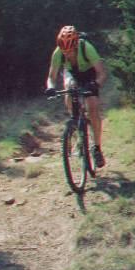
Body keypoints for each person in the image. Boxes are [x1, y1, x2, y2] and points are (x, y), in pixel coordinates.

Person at [45, 25, 107, 168]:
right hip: (72, 74)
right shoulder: (58, 53)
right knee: (69, 89)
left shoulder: (87, 48)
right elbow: (51, 76)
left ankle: (97, 148)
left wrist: (95, 85)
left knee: (93, 108)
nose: (67, 54)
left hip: (89, 74)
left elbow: (102, 73)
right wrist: (50, 87)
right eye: (64, 52)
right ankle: (77, 123)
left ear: (76, 45)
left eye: (70, 51)